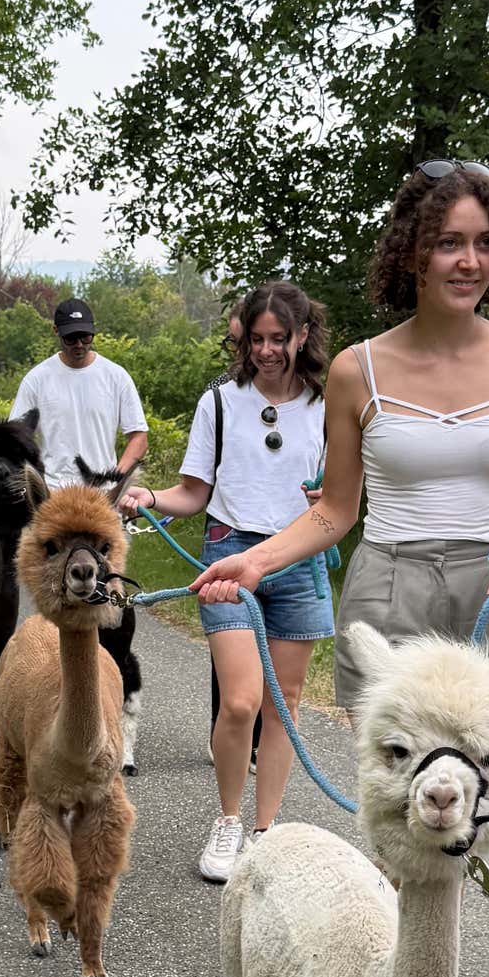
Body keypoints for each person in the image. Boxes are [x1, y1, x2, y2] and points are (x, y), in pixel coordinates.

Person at [195, 160, 489, 717]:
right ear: (413, 252)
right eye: (449, 243)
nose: (470, 262)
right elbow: (335, 511)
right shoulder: (355, 369)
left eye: (486, 243)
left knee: (474, 785)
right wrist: (256, 562)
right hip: (386, 590)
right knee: (392, 790)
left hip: (488, 588)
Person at [123, 282, 332, 881]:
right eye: (257, 339)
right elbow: (194, 493)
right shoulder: (219, 401)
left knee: (282, 706)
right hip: (229, 552)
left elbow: (343, 498)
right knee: (239, 701)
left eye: (279, 339)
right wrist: (149, 498)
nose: (267, 351)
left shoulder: (326, 403)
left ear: (302, 336)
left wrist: (328, 494)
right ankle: (229, 820)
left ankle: (266, 833)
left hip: (298, 557)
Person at [10, 298, 149, 493]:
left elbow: (139, 438)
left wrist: (116, 481)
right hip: (54, 493)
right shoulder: (36, 380)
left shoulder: (116, 377)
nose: (79, 345)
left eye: (85, 337)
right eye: (71, 338)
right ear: (56, 331)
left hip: (103, 495)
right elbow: (16, 439)